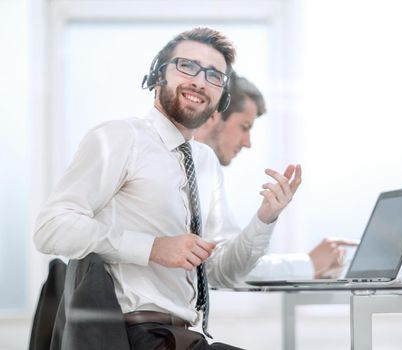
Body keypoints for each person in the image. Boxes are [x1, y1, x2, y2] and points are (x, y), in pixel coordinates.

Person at [34, 27, 301, 350]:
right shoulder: (120, 137)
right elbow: (51, 228)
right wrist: (153, 247)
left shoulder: (204, 162)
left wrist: (265, 219)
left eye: (215, 76)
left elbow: (221, 273)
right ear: (157, 76)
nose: (200, 81)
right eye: (187, 66)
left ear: (221, 99)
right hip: (134, 336)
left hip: (184, 335)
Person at [195, 73, 358, 280]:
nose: (247, 142)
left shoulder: (205, 175)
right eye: (244, 127)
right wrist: (309, 263)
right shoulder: (178, 173)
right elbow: (224, 269)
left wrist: (267, 217)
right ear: (213, 116)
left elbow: (225, 265)